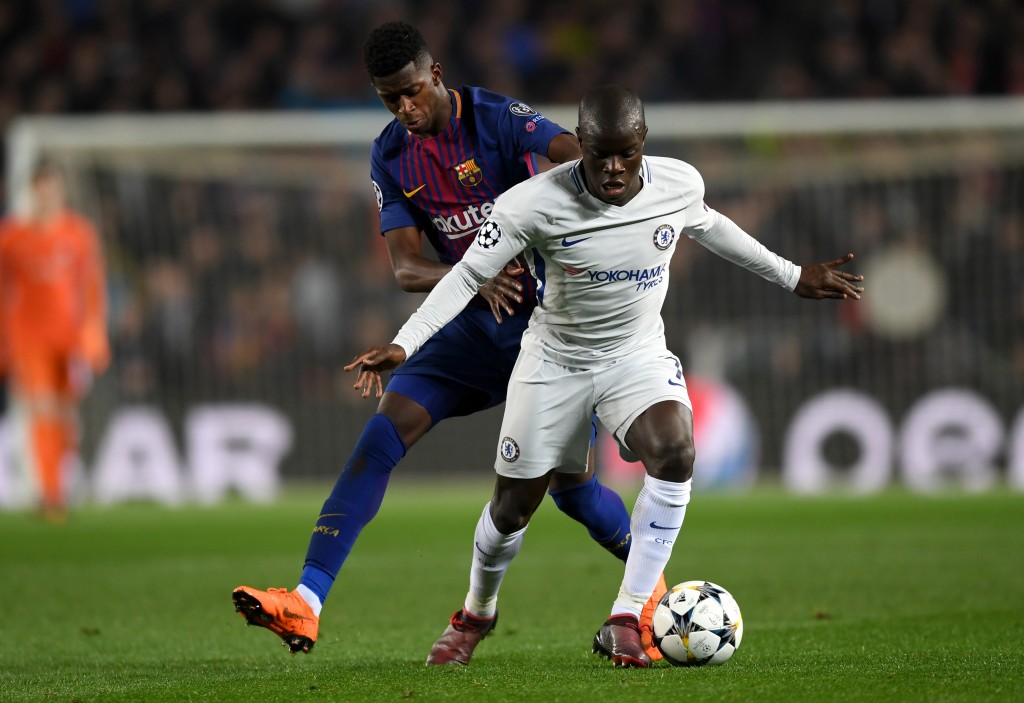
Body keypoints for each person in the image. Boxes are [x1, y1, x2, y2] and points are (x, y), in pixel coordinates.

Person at [345, 84, 865, 668]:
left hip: (634, 355)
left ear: (643, 142)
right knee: (513, 509)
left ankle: (627, 614)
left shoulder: (678, 183)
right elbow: (467, 277)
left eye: (627, 154)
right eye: (601, 155)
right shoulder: (529, 204)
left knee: (675, 449)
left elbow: (715, 228)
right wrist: (403, 343)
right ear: (580, 145)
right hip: (553, 362)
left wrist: (794, 275)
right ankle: (475, 615)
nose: (615, 169)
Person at [232, 22, 652, 660]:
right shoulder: (391, 154)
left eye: (409, 92)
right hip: (462, 328)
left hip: (541, 333)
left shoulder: (495, 117)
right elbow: (405, 269)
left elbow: (574, 152)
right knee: (377, 441)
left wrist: (586, 228)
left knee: (572, 492)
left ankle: (655, 598)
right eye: (387, 99)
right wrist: (476, 276)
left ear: (435, 75)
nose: (404, 109)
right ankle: (305, 603)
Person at [0, 160, 110, 522]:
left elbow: (91, 286)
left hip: (71, 338)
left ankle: (58, 485)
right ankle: (51, 493)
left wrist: (94, 334)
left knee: (65, 414)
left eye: (52, 187)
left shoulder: (78, 233)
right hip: (28, 338)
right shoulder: (11, 236)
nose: (46, 194)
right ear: (32, 191)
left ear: (60, 190)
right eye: (40, 188)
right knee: (42, 409)